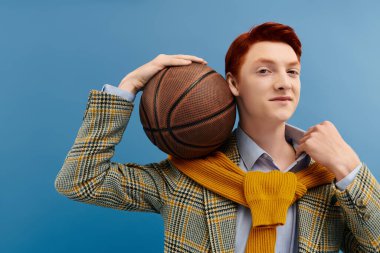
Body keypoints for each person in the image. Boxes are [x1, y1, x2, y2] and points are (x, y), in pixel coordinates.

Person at [54, 21, 380, 253]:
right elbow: (80, 181)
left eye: (292, 71)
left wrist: (350, 169)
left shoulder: (329, 179)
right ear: (234, 84)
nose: (284, 83)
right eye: (264, 71)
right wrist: (129, 86)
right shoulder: (187, 176)